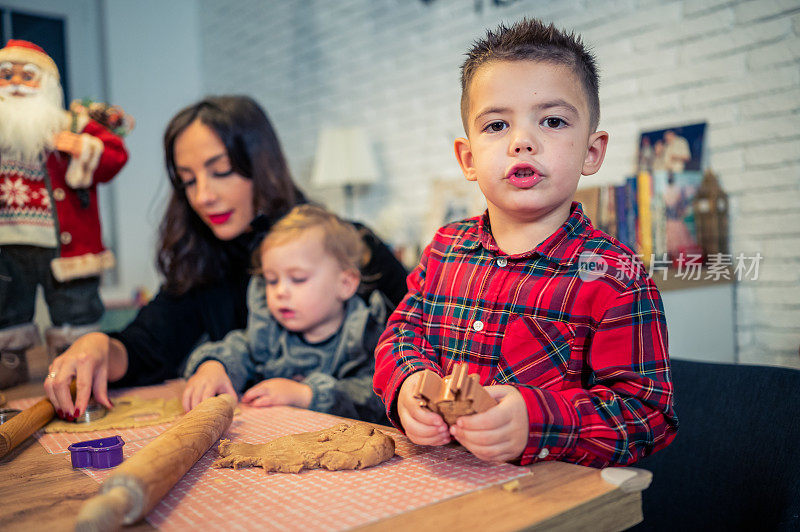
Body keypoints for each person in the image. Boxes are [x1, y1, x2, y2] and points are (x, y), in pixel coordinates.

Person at [373, 18, 677, 468]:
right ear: (469, 158)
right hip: (441, 483)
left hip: (547, 500)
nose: (522, 142)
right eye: (496, 125)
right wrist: (408, 385)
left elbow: (647, 415)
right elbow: (402, 333)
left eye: (552, 121)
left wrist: (537, 422)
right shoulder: (443, 249)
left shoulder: (616, 276)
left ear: (591, 153)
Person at [44, 95, 407, 421]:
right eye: (188, 180)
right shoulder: (202, 257)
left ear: (262, 166)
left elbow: (419, 342)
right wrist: (98, 346)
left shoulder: (350, 247)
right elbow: (148, 346)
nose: (203, 196)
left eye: (220, 172)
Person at [182, 205, 388, 423]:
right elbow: (240, 349)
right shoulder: (269, 331)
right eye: (271, 280)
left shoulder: (365, 336)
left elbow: (375, 395)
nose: (280, 292)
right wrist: (215, 366)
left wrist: (305, 395)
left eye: (298, 279)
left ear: (345, 284)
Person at [0, 40, 128, 389]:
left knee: (75, 310)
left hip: (67, 248)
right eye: (6, 75)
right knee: (6, 310)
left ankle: (77, 366)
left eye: (27, 76)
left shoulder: (71, 123)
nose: (15, 83)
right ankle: (9, 366)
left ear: (47, 84)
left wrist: (85, 148)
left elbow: (116, 155)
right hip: (5, 245)